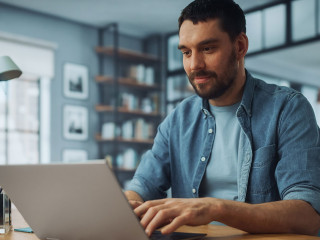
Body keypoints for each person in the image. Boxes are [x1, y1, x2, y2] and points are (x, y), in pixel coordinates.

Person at [125, 0, 320, 236]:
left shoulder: (288, 108)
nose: (194, 65)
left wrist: (216, 208)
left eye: (207, 49)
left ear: (239, 46)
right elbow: (142, 185)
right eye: (186, 52)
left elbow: (308, 214)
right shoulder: (178, 119)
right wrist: (125, 205)